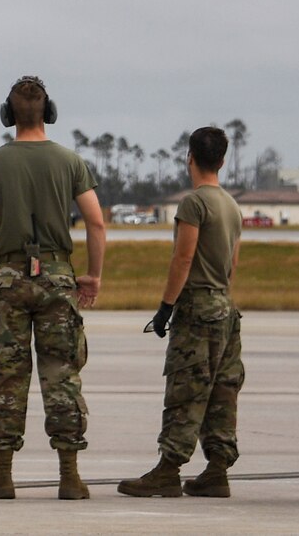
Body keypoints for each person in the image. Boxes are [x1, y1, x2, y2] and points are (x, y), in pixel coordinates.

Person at [0, 76, 108, 500]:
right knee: (62, 375)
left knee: (6, 376)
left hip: (9, 277)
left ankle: (2, 475)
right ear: (49, 112)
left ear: (8, 115)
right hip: (58, 277)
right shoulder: (70, 161)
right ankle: (70, 477)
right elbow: (96, 222)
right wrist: (92, 275)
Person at [119, 125, 245, 499]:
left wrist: (165, 308)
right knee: (223, 390)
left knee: (186, 387)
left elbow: (184, 256)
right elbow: (232, 263)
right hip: (225, 306)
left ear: (190, 157)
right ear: (222, 161)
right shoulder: (231, 205)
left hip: (198, 309)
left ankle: (168, 468)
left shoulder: (194, 203)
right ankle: (217, 469)